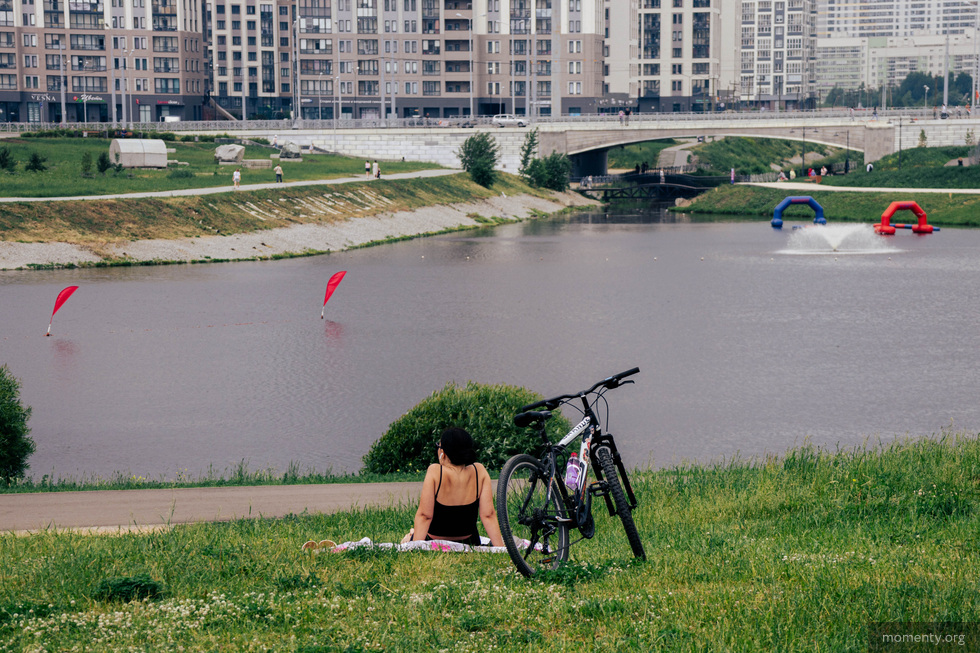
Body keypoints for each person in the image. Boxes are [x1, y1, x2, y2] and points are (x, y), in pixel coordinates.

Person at [402, 427, 504, 547]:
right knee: (411, 533)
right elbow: (488, 515)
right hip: (470, 542)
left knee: (407, 537)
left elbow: (425, 515)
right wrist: (500, 548)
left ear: (443, 452)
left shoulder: (435, 471)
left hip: (434, 542)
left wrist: (415, 545)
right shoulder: (479, 471)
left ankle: (411, 535)